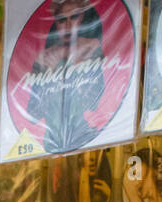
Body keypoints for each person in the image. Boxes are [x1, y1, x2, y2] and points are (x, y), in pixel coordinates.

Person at [19, 1, 108, 153]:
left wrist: (77, 70)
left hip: (86, 139)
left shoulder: (92, 49)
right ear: (55, 21)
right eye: (61, 20)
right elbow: (32, 114)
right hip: (50, 145)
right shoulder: (44, 60)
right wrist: (49, 77)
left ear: (81, 18)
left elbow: (94, 102)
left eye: (73, 18)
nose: (67, 27)